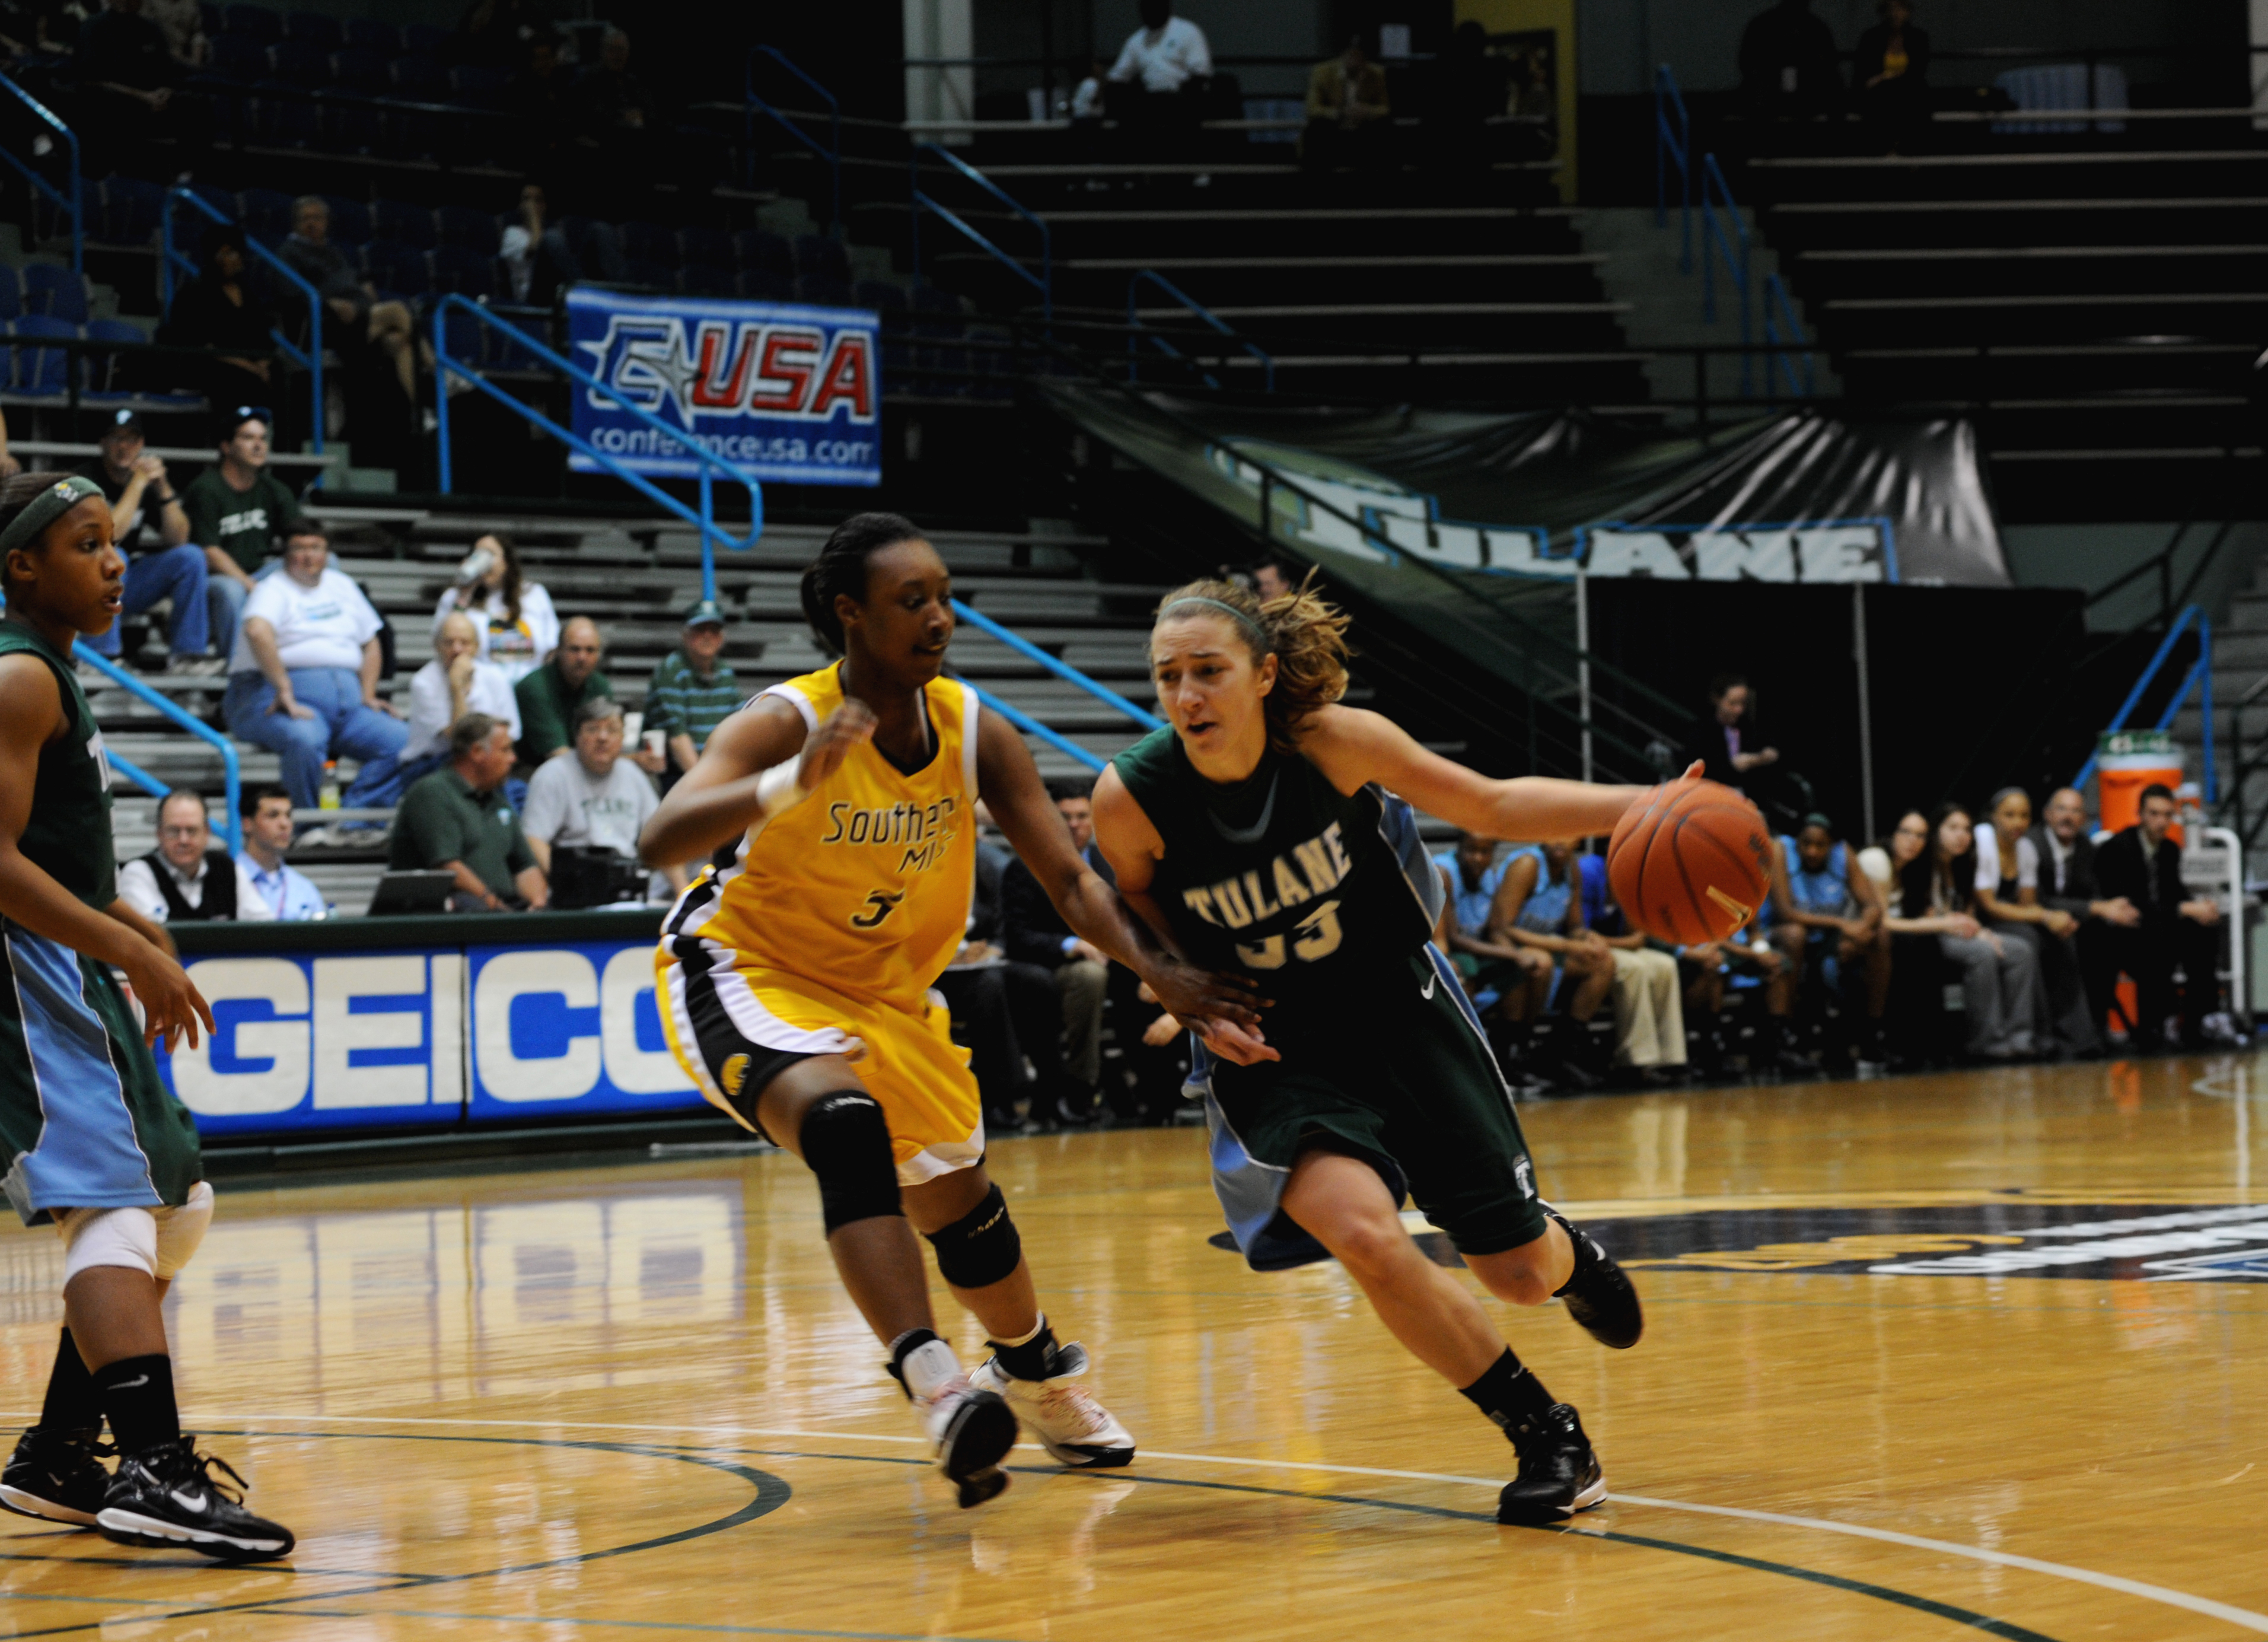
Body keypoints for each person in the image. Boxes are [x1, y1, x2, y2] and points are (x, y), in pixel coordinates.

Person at [638, 512, 1258, 1510]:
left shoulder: (973, 727)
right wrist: (791, 780)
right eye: (910, 600)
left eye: (942, 594)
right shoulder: (783, 721)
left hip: (886, 993)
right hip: (746, 969)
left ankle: (1033, 1369)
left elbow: (1066, 878)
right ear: (850, 615)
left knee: (964, 1210)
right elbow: (658, 828)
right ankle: (934, 1387)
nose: (938, 616)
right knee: (846, 1128)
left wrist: (1163, 969)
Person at [1091, 574, 1652, 1526]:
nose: (1187, 697)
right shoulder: (1132, 798)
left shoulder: (1338, 744)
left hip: (1402, 1012)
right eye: (1168, 677)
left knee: (1514, 1275)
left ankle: (1571, 1257)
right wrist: (1182, 991)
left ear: (1264, 676)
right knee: (1359, 1232)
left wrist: (1647, 804)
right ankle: (1544, 1433)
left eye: (1208, 672)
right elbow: (1132, 908)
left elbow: (1494, 804)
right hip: (1279, 1050)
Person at [0, 470, 292, 1556]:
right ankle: (157, 1474)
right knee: (115, 1198)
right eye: (86, 543)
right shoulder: (21, 676)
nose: (116, 561)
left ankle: (60, 1454)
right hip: (27, 975)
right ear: (23, 566)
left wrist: (134, 923)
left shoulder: (52, 671)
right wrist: (127, 941)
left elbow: (48, 854)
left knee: (179, 1197)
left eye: (116, 541)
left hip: (63, 960)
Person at [221, 522, 408, 817]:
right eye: (299, 548)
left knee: (404, 742)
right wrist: (283, 686)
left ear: (327, 553)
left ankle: (355, 822)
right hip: (273, 698)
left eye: (316, 548)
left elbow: (371, 641)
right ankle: (309, 826)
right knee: (306, 739)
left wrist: (369, 693)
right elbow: (258, 631)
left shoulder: (342, 585)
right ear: (285, 555)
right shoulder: (272, 588)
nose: (308, 556)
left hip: (348, 709)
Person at [73, 411, 224, 676]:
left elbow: (178, 538)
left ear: (141, 445)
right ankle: (101, 657)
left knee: (190, 557)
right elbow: (110, 537)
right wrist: (139, 483)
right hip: (77, 589)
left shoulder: (148, 485)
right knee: (115, 554)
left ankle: (187, 657)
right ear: (103, 444)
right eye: (116, 438)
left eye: (131, 440)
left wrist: (163, 488)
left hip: (120, 587)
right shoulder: (84, 481)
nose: (124, 447)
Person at [1886, 802, 2038, 1059]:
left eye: (1967, 829)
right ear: (1937, 831)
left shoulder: (1966, 863)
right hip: (1932, 935)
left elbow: (1968, 910)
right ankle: (1986, 1040)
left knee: (2020, 950)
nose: (1962, 835)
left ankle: (2020, 1036)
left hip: (1960, 930)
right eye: (1953, 828)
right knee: (1982, 953)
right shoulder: (1923, 861)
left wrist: (1979, 930)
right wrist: (1969, 931)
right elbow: (1921, 911)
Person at [999, 779, 1112, 1125]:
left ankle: (1151, 1090)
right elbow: (1017, 937)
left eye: (1082, 816)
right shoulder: (1025, 864)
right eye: (1066, 817)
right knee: (1089, 976)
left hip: (1116, 960)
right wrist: (1072, 945)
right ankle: (1078, 1087)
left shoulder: (1112, 862)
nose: (1075, 824)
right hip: (1050, 965)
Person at [2090, 784, 2224, 1051]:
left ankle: (2196, 1023)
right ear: (2140, 813)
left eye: (2166, 814)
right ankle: (2154, 1026)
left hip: (2159, 928)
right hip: (2123, 934)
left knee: (2203, 933)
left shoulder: (2170, 850)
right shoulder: (2117, 847)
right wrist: (2183, 909)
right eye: (2154, 813)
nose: (2161, 821)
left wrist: (2201, 908)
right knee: (2158, 935)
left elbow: (2174, 894)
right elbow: (2128, 902)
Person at [1972, 787, 2096, 1055]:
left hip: (2008, 918)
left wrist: (2057, 920)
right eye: (2009, 815)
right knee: (2028, 939)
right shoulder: (1982, 841)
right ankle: (2036, 1033)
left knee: (2057, 935)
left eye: (2024, 816)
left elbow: (2026, 904)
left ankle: (2072, 1036)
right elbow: (1988, 905)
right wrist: (2046, 916)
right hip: (1979, 918)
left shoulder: (2026, 848)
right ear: (1993, 817)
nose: (2018, 823)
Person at [521, 697, 683, 898]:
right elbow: (533, 839)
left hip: (628, 881)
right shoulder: (552, 775)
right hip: (577, 883)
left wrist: (681, 892)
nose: (603, 737)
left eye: (612, 730)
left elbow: (662, 837)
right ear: (577, 737)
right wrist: (565, 884)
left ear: (623, 738)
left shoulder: (633, 774)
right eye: (592, 729)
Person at [389, 713, 547, 912]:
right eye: (505, 750)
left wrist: (538, 904)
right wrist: (499, 910)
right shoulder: (433, 793)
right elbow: (447, 866)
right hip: (442, 912)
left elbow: (525, 866)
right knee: (471, 906)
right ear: (477, 752)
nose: (513, 759)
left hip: (500, 909)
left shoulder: (499, 802)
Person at [276, 196, 421, 413]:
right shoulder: (289, 253)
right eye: (306, 219)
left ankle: (422, 412)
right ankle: (441, 371)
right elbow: (293, 294)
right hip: (323, 325)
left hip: (357, 320)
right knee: (397, 310)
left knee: (400, 343)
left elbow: (355, 289)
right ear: (296, 224)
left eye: (317, 218)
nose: (312, 224)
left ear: (326, 222)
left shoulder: (335, 254)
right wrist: (329, 304)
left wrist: (362, 298)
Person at [1492, 838, 1616, 1087]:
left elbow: (1575, 926)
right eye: (1554, 833)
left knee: (1603, 962)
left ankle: (1560, 1053)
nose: (1560, 840)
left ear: (1579, 839)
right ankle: (1517, 1055)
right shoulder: (1527, 865)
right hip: (1507, 947)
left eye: (1569, 834)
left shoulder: (1571, 868)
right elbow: (1502, 928)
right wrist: (1568, 946)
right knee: (1543, 963)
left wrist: (1590, 939)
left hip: (1546, 945)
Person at [1767, 813, 1890, 1059]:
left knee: (1882, 936)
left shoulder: (1844, 854)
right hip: (1785, 935)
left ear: (1832, 845)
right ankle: (1787, 1037)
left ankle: (1872, 1032)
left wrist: (1861, 930)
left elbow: (1872, 907)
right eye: (1806, 844)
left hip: (1828, 938)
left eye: (1820, 845)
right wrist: (1842, 924)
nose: (1812, 851)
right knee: (1795, 935)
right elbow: (1785, 912)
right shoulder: (1780, 850)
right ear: (1797, 841)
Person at [1574, 851, 1690, 1086]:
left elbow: (1637, 938)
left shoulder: (1636, 870)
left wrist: (1608, 941)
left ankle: (1669, 1058)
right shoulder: (1587, 871)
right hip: (1584, 948)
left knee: (1664, 965)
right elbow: (1578, 931)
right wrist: (1604, 943)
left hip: (1609, 943)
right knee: (1635, 967)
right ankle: (1636, 1061)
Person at [2031, 785, 2138, 1038]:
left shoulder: (2085, 847)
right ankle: (2062, 1032)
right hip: (2035, 919)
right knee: (2064, 939)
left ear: (2083, 819)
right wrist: (2094, 908)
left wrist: (2111, 909)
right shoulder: (2032, 845)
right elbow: (2037, 900)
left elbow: (2093, 893)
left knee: (2107, 939)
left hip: (2074, 922)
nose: (2068, 817)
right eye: (2061, 809)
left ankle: (2098, 1024)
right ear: (2047, 815)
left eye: (2075, 811)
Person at [180, 407, 300, 632]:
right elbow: (209, 551)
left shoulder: (274, 490)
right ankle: (236, 664)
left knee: (325, 561)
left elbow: (299, 536)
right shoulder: (205, 489)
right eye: (248, 438)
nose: (259, 445)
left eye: (263, 439)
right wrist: (248, 584)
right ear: (226, 447)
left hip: (259, 574)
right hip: (215, 579)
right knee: (232, 590)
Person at [1433, 832, 1554, 1036]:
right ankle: (1467, 1042)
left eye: (1485, 852)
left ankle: (1513, 1048)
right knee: (1467, 967)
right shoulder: (1443, 873)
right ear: (1459, 849)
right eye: (1471, 850)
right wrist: (1515, 954)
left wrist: (1517, 957)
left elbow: (1495, 930)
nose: (1478, 858)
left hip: (1475, 949)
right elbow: (1453, 939)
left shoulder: (1489, 875)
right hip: (1449, 952)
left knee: (1519, 971)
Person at [155, 230, 275, 419]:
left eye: (233, 253)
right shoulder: (194, 293)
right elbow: (203, 345)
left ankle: (285, 446)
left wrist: (263, 364)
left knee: (283, 376)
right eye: (222, 253)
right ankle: (233, 439)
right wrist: (253, 368)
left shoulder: (249, 295)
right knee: (237, 380)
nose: (228, 259)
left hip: (250, 366)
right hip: (207, 366)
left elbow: (264, 339)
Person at [515, 615, 653, 771]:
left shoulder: (599, 685)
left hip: (584, 764)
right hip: (534, 770)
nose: (582, 657)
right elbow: (559, 756)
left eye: (590, 650)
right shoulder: (535, 687)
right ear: (559, 650)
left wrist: (636, 761)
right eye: (575, 649)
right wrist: (630, 760)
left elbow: (608, 744)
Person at [403, 610, 520, 792]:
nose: (457, 650)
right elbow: (459, 743)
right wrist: (457, 689)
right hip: (431, 763)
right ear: (437, 646)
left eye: (464, 643)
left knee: (519, 792)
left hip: (487, 758)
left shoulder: (495, 678)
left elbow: (511, 733)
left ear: (477, 647)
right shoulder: (424, 682)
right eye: (449, 642)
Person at [115, 789, 270, 924]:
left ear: (207, 832)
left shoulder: (228, 869)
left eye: (192, 830)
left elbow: (264, 927)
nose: (184, 840)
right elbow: (154, 937)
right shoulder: (138, 873)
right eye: (174, 831)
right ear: (159, 834)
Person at [432, 532, 557, 683]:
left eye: (490, 554)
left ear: (506, 561)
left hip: (529, 688)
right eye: (478, 554)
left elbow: (553, 646)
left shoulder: (534, 594)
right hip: (482, 689)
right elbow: (442, 640)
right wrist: (464, 594)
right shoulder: (454, 597)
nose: (484, 561)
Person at [646, 599, 741, 781]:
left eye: (714, 630)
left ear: (721, 638)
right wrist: (706, 786)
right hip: (677, 774)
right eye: (700, 629)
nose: (707, 636)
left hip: (716, 770)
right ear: (686, 635)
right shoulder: (670, 671)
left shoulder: (725, 672)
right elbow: (678, 740)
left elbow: (741, 725)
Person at [1738, 0, 1842, 120]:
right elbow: (1748, 64)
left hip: (1809, 100)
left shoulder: (1817, 28)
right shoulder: (1762, 25)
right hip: (1768, 99)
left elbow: (1830, 65)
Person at [235, 782, 324, 920]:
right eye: (273, 815)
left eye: (288, 815)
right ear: (247, 824)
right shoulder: (226, 881)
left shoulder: (304, 889)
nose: (285, 824)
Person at [1681, 672, 1779, 797]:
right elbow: (1698, 773)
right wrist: (1732, 766)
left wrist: (1762, 758)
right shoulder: (1701, 731)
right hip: (1710, 796)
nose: (1739, 710)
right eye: (1733, 703)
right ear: (1717, 699)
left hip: (1745, 799)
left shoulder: (1748, 728)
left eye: (1743, 704)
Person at [1302, 34, 1390, 170]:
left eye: (1359, 55)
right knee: (1318, 129)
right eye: (1351, 54)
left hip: (1363, 132)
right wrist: (1339, 113)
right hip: (1334, 132)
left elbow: (1385, 108)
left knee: (1384, 129)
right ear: (1342, 54)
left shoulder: (1376, 74)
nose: (1355, 60)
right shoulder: (1322, 72)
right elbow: (1312, 108)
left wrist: (1366, 111)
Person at [1853, 0, 1931, 153]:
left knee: (1909, 98)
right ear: (1883, 13)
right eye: (1891, 9)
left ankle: (1906, 150)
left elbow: (1917, 71)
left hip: (1908, 92)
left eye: (1900, 9)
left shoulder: (1918, 37)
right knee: (1885, 99)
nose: (1895, 14)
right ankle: (1887, 149)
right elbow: (1864, 73)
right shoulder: (1871, 37)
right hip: (1881, 95)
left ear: (1908, 12)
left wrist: (1884, 77)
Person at [497, 182, 578, 307]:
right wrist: (533, 218)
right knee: (551, 238)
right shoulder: (512, 233)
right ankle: (584, 296)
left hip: (559, 290)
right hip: (531, 298)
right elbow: (533, 250)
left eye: (537, 200)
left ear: (545, 206)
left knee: (599, 230)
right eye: (527, 199)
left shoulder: (555, 237)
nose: (531, 205)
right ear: (520, 206)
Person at [1106, 0, 1211, 97]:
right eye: (1148, 8)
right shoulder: (1136, 41)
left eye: (1156, 7)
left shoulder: (1187, 32)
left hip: (1184, 98)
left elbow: (1201, 72)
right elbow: (1118, 77)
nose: (1152, 12)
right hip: (1151, 101)